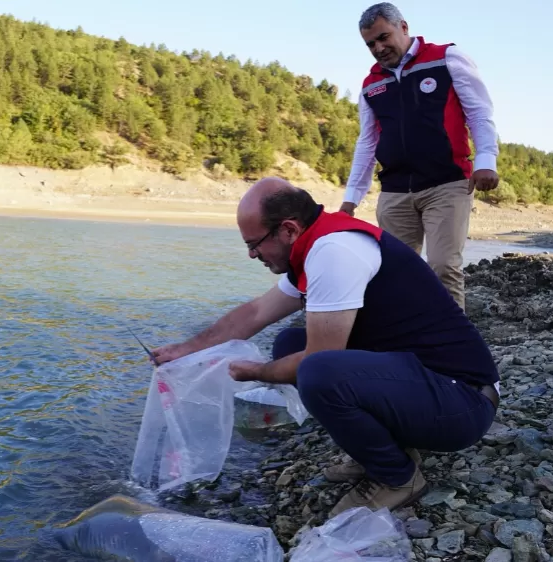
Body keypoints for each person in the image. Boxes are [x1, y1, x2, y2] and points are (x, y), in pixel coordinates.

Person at [152, 177, 501, 516]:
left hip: (464, 403)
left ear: (288, 229)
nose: (251, 254)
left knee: (317, 370)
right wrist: (186, 349)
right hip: (432, 387)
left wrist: (256, 373)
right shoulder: (316, 245)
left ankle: (398, 477)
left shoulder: (334, 251)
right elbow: (255, 312)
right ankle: (390, 449)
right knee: (290, 342)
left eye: (254, 244)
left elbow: (318, 360)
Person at [338, 2, 500, 311]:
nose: (379, 48)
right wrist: (351, 199)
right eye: (371, 43)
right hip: (395, 191)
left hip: (447, 184)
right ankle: (410, 340)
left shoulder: (447, 58)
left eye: (384, 37)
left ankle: (454, 349)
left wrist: (486, 161)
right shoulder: (371, 84)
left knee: (442, 267)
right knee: (396, 271)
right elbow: (367, 142)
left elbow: (479, 113)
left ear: (404, 27)